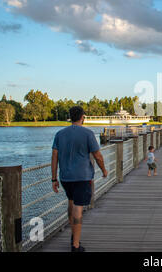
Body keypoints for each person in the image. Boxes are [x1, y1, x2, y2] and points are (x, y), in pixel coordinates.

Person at [51, 106, 108, 252]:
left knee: (71, 202)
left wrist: (53, 178)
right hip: (82, 177)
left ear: (70, 117)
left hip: (65, 177)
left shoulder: (60, 134)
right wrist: (104, 170)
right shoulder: (88, 133)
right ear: (83, 117)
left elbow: (55, 156)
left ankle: (73, 234)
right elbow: (97, 155)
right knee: (78, 208)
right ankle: (75, 245)